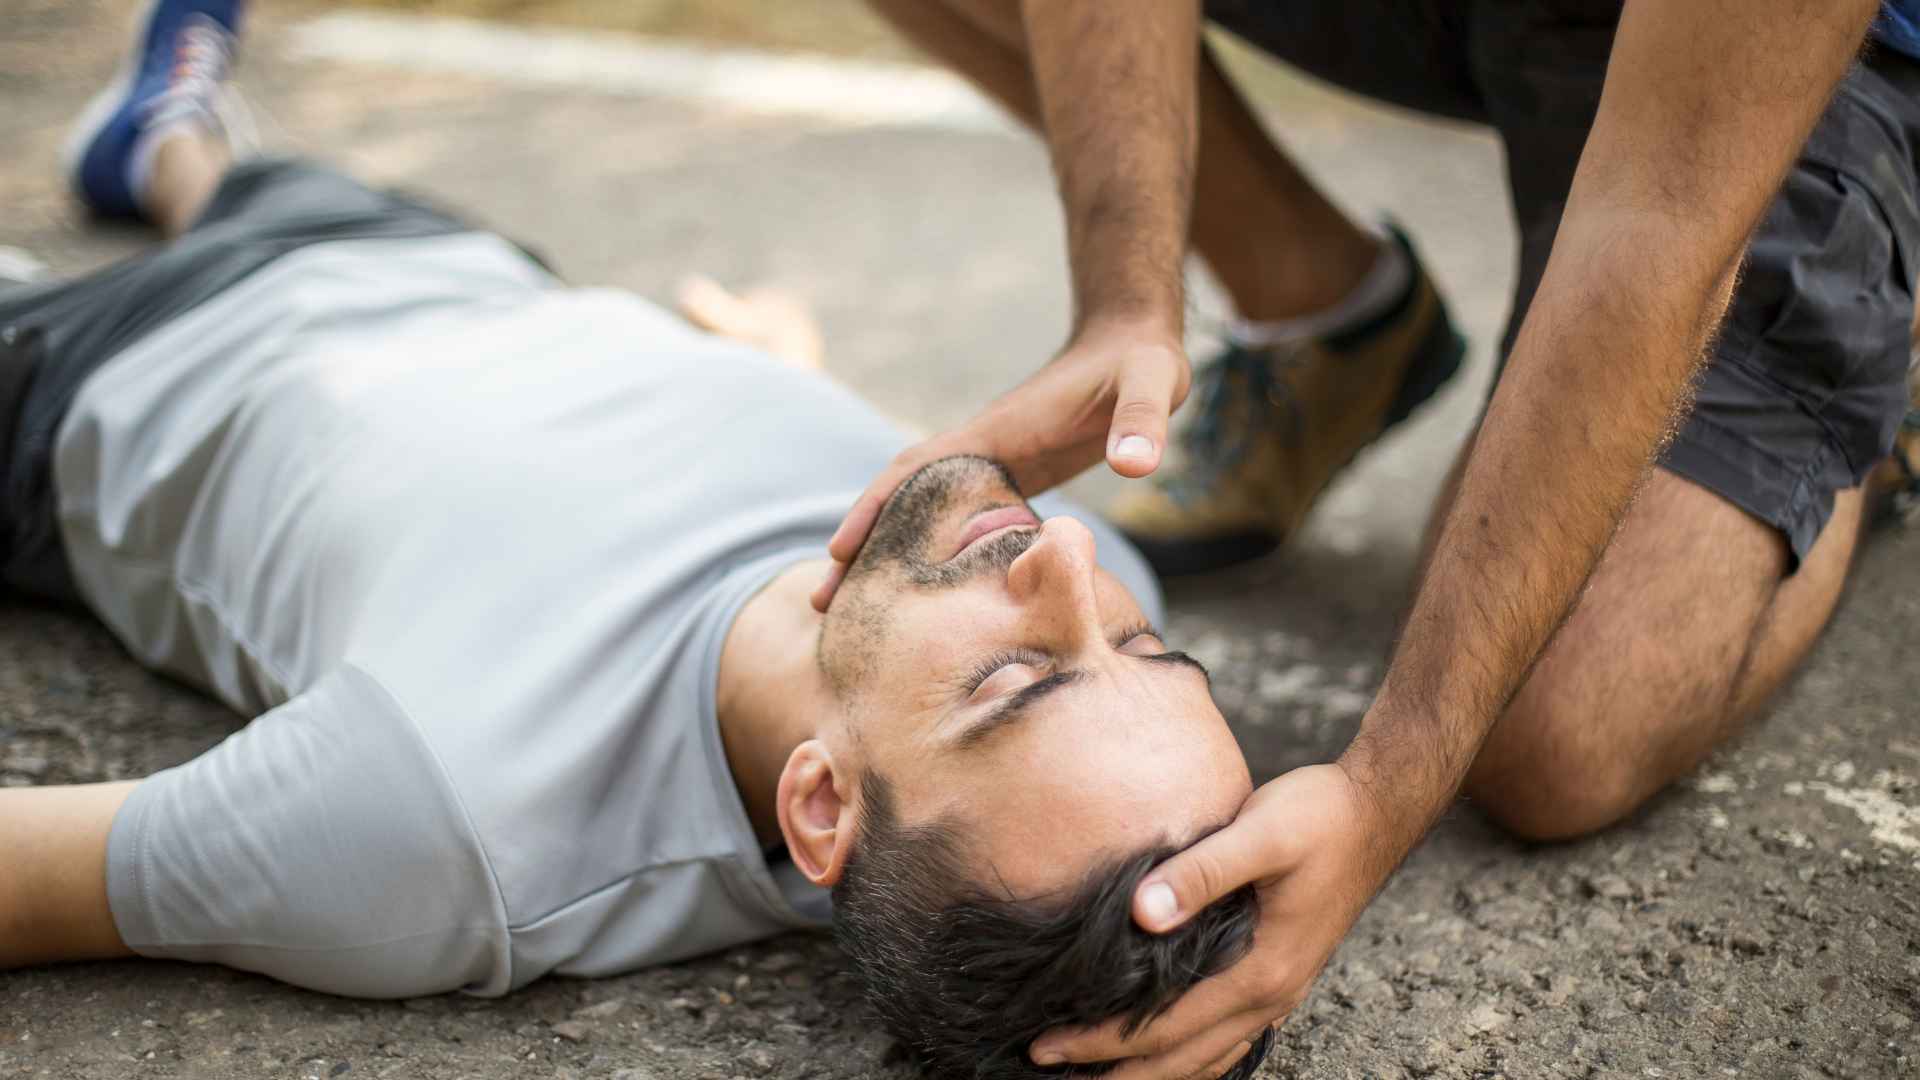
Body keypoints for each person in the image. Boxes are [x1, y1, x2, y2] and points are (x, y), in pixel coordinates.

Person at [0, 5, 1278, 1077]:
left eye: (1015, 676)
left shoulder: (446, 824)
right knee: (221, 176)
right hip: (457, 267)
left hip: (98, 380)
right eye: (1144, 646)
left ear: (823, 804)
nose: (1063, 560)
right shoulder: (1006, 556)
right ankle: (165, 137)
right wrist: (781, 375)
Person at [827, 1, 1916, 1076]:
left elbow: (1667, 203)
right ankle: (1322, 305)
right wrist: (1126, 300)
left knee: (1558, 734)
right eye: (1147, 645)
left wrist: (1390, 781)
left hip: (1754, 70)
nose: (1070, 550)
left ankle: (1866, 404)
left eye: (1150, 643)